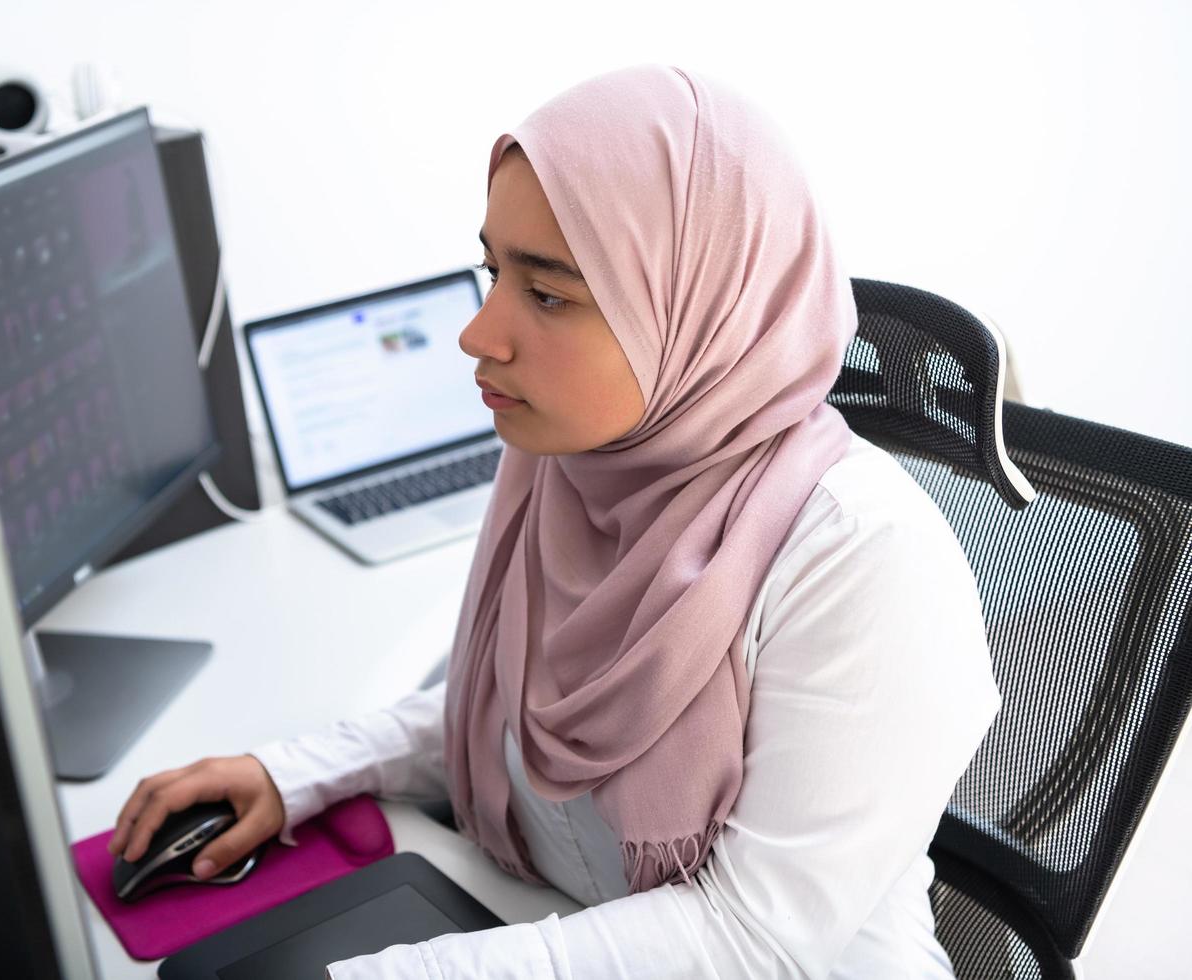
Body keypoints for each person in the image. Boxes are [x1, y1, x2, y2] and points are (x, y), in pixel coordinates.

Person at [108, 64, 1001, 978]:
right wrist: (299, 771)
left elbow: (752, 939)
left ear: (695, 312)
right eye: (493, 270)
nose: (477, 333)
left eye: (547, 294)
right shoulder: (568, 467)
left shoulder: (862, 555)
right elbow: (511, 716)